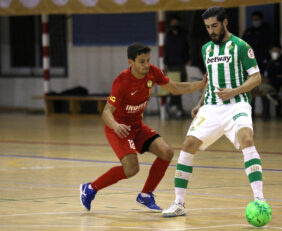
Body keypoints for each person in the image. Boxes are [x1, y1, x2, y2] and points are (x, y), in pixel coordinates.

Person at [162, 6, 264, 217]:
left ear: (225, 22)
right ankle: (179, 203)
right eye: (207, 27)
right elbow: (210, 81)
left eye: (214, 26)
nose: (211, 31)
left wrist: (234, 91)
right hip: (211, 106)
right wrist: (200, 103)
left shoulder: (241, 46)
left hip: (237, 104)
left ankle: (259, 199)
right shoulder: (206, 49)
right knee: (188, 144)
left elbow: (256, 78)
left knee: (247, 139)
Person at [80, 43, 207, 212]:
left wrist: (201, 84)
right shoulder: (122, 81)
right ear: (130, 62)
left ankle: (146, 195)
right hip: (118, 129)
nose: (146, 65)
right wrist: (116, 126)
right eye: (141, 61)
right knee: (132, 169)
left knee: (167, 152)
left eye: (148, 60)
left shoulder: (153, 72)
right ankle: (90, 188)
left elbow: (174, 88)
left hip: (137, 127)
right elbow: (106, 113)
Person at [253, 44, 282, 119]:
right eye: (274, 51)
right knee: (250, 89)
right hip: (262, 82)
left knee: (264, 89)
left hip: (275, 84)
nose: (275, 53)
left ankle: (265, 114)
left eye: (278, 51)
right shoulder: (266, 60)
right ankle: (251, 114)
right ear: (270, 51)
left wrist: (269, 80)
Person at [164, 15, 190, 119]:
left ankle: (178, 108)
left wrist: (188, 60)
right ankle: (174, 108)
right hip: (171, 66)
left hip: (181, 65)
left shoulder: (184, 34)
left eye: (176, 23)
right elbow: (166, 50)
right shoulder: (168, 35)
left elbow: (188, 47)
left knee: (181, 87)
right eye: (172, 23)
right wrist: (165, 64)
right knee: (173, 88)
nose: (174, 25)